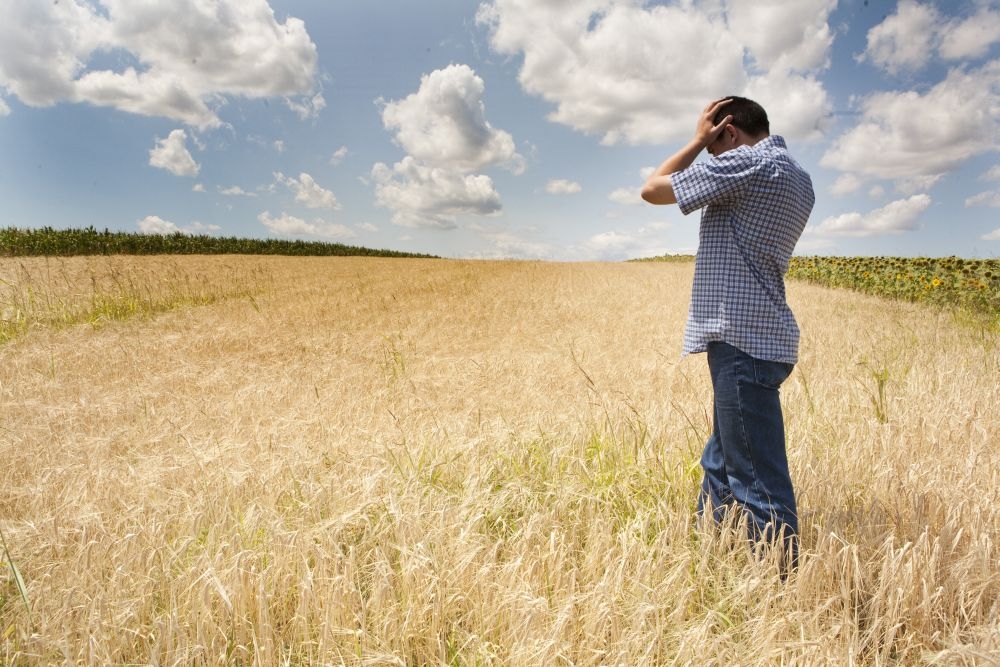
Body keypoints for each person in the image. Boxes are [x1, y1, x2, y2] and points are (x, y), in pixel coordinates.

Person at [641, 97, 815, 570]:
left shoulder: (744, 164)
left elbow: (652, 189)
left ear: (730, 131)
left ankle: (780, 588)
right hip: (769, 335)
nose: (712, 156)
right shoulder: (799, 178)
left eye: (715, 144)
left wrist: (696, 140)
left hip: (740, 341)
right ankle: (707, 550)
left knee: (756, 479)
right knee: (722, 461)